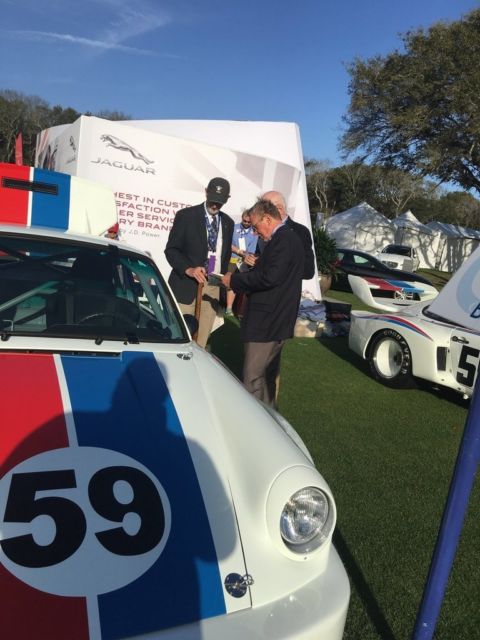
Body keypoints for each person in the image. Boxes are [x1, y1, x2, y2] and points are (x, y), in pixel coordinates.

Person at [221, 199, 304, 407]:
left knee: (253, 378)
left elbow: (270, 278)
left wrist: (234, 280)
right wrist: (260, 265)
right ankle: (270, 418)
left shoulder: (283, 239)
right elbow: (276, 273)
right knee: (266, 378)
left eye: (256, 226)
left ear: (267, 219)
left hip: (267, 322)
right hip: (275, 320)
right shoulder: (286, 239)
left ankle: (253, 422)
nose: (255, 232)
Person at [165, 177, 234, 348]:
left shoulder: (228, 223)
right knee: (179, 338)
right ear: (206, 192)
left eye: (220, 201)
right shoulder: (186, 216)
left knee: (201, 342)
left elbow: (225, 256)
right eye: (213, 199)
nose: (215, 205)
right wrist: (188, 269)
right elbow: (171, 250)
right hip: (185, 286)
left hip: (212, 288)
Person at [261, 190, 315, 280]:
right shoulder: (260, 229)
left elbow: (308, 271)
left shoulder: (299, 231)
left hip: (282, 287)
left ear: (279, 209)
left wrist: (275, 268)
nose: (260, 213)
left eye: (264, 209)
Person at [225, 208, 258, 316]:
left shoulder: (254, 232)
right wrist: (239, 251)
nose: (247, 223)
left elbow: (252, 251)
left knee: (244, 285)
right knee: (230, 283)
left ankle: (240, 311)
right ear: (241, 218)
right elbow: (227, 244)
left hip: (244, 262)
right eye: (245, 221)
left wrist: (246, 257)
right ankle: (229, 308)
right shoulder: (233, 228)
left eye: (249, 222)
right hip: (232, 259)